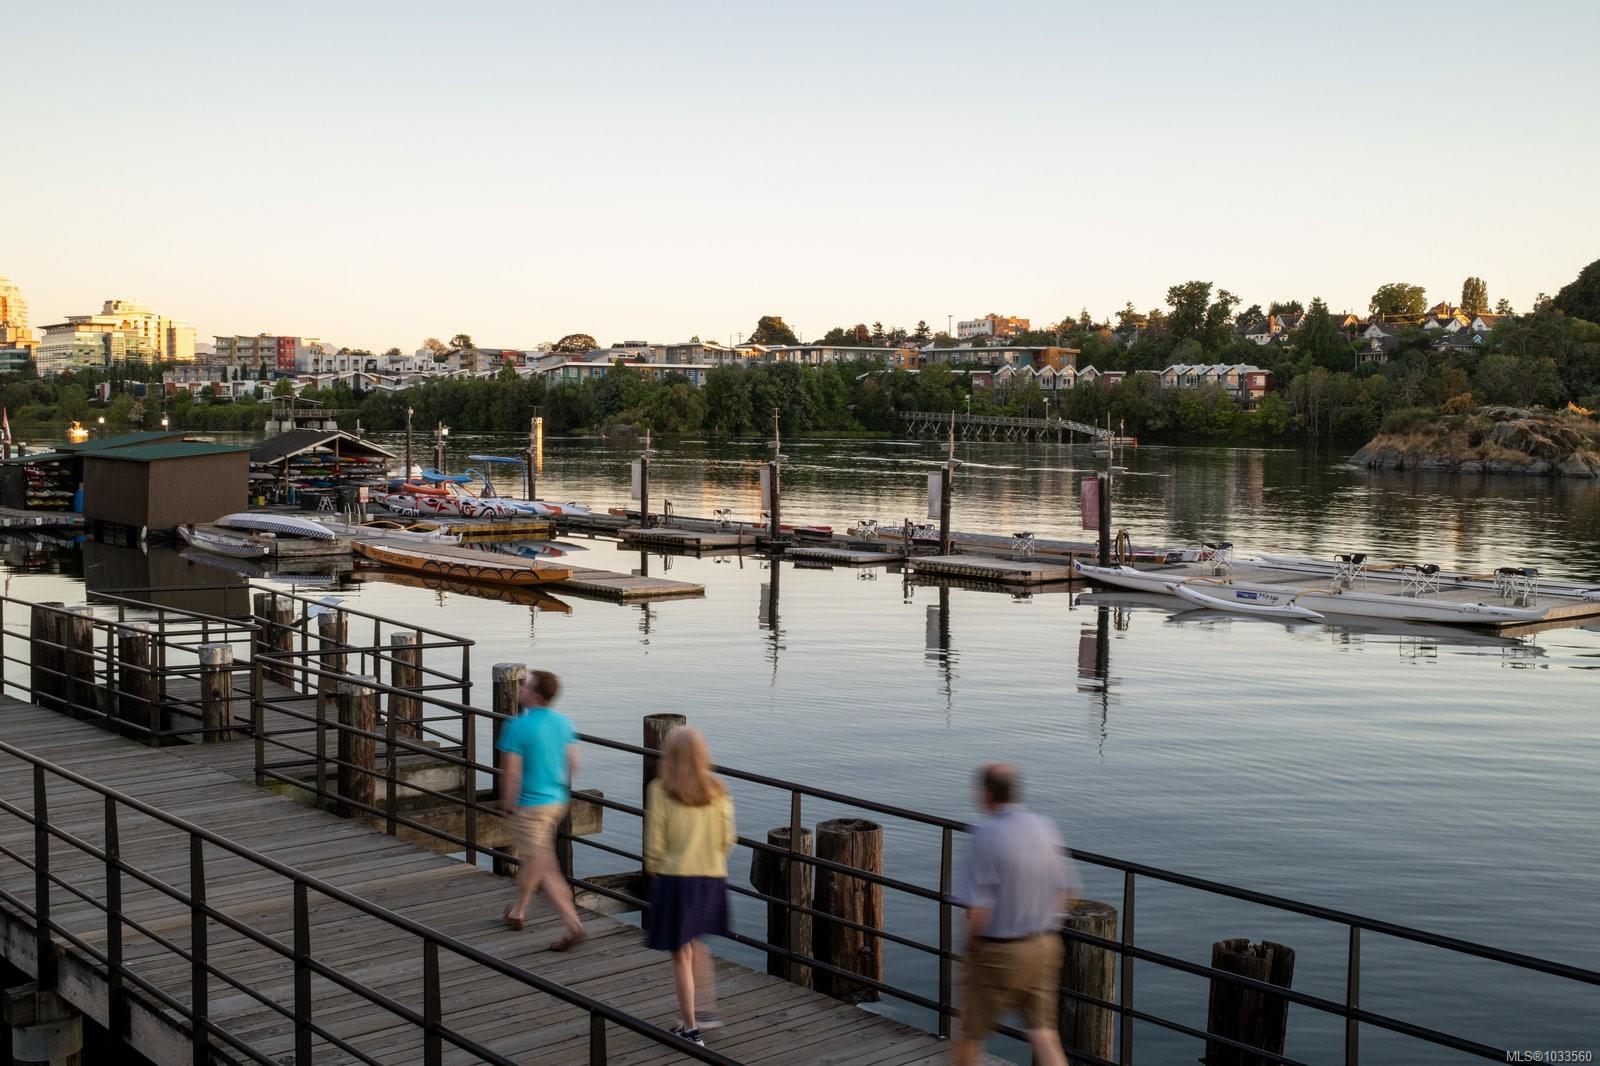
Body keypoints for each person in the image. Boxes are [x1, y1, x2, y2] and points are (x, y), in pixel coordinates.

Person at [953, 763, 1080, 1066]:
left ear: (986, 794)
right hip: (1044, 946)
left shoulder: (986, 833)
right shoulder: (1044, 827)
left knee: (969, 1035)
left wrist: (971, 949)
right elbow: (1069, 892)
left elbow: (979, 909)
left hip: (999, 951)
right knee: (1044, 1035)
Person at [644, 727, 736, 1047]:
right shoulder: (718, 790)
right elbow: (728, 839)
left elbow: (655, 844)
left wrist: (655, 870)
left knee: (680, 954)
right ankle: (705, 1011)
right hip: (711, 878)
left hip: (675, 879)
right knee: (696, 942)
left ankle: (691, 1028)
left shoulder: (661, 790)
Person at [496, 668, 586, 951]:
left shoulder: (517, 727)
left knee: (545, 867)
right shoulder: (564, 723)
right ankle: (518, 911)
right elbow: (573, 764)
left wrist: (507, 804)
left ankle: (573, 925)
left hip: (530, 806)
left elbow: (511, 773)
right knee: (535, 859)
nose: (521, 689)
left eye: (526, 686)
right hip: (556, 802)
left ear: (535, 695)